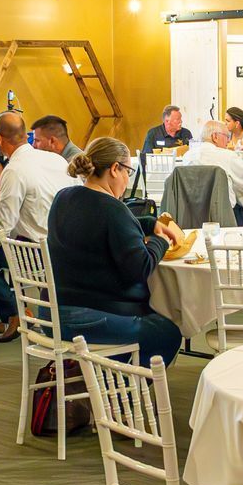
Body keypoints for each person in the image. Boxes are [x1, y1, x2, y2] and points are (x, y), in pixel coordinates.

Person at [49, 138, 185, 366]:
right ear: (114, 169)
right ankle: (119, 391)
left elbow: (95, 225)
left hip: (52, 314)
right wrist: (160, 241)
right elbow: (140, 268)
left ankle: (100, 376)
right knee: (167, 331)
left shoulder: (63, 197)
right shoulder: (113, 209)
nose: (126, 180)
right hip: (91, 318)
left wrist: (149, 224)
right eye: (127, 172)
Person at [0, 112, 73, 342]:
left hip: (35, 253)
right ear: (26, 135)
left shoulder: (14, 170)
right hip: (67, 248)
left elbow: (5, 221)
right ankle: (15, 312)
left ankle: (14, 315)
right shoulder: (57, 160)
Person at [180, 119, 243, 226]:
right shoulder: (227, 156)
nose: (228, 141)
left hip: (192, 215)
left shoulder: (187, 156)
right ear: (215, 137)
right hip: (224, 215)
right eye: (227, 136)